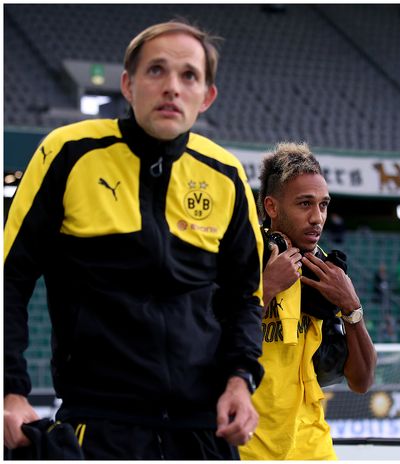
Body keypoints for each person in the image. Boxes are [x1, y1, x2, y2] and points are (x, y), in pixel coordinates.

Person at [4, 20, 264, 459]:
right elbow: (9, 279)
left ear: (207, 96)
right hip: (99, 428)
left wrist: (241, 379)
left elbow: (246, 298)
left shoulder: (226, 175)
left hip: (203, 432)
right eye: (156, 71)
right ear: (128, 84)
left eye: (189, 76)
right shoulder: (68, 153)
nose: (172, 88)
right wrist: (9, 390)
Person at [240, 142, 377, 460]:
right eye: (305, 204)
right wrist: (267, 288)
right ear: (272, 207)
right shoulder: (241, 262)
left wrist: (351, 307)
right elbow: (208, 349)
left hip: (312, 447)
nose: (318, 218)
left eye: (324, 205)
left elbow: (362, 381)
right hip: (245, 447)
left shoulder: (328, 273)